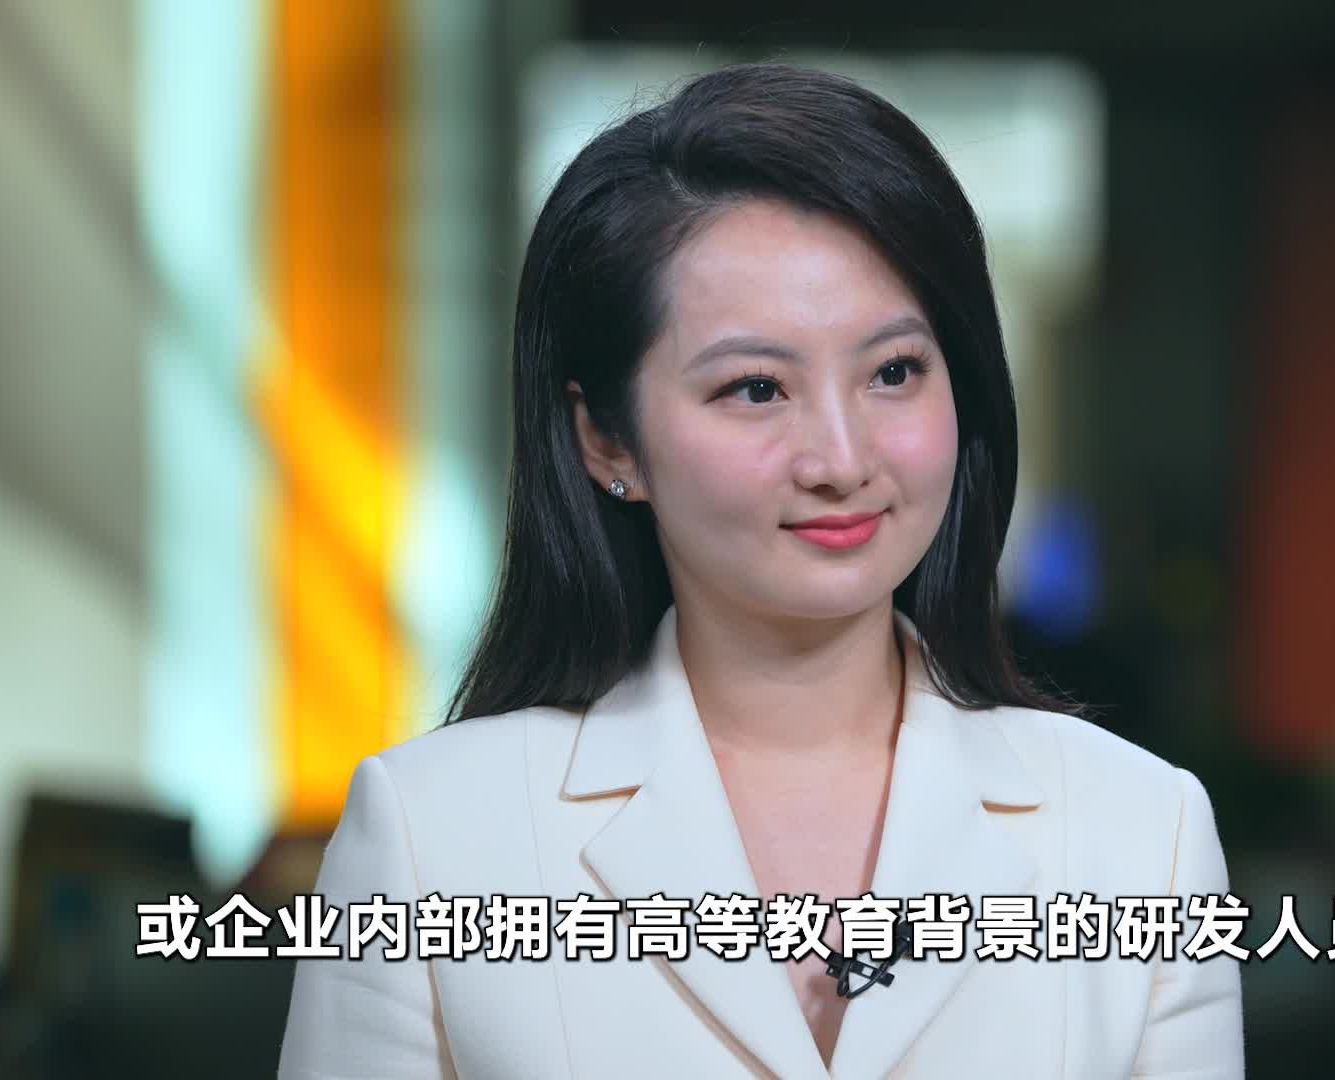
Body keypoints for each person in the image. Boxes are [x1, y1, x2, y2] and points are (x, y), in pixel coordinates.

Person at [277, 62, 1242, 1079]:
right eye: (754, 389)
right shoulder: (431, 834)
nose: (841, 460)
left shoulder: (1141, 832)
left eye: (894, 372)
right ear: (607, 440)